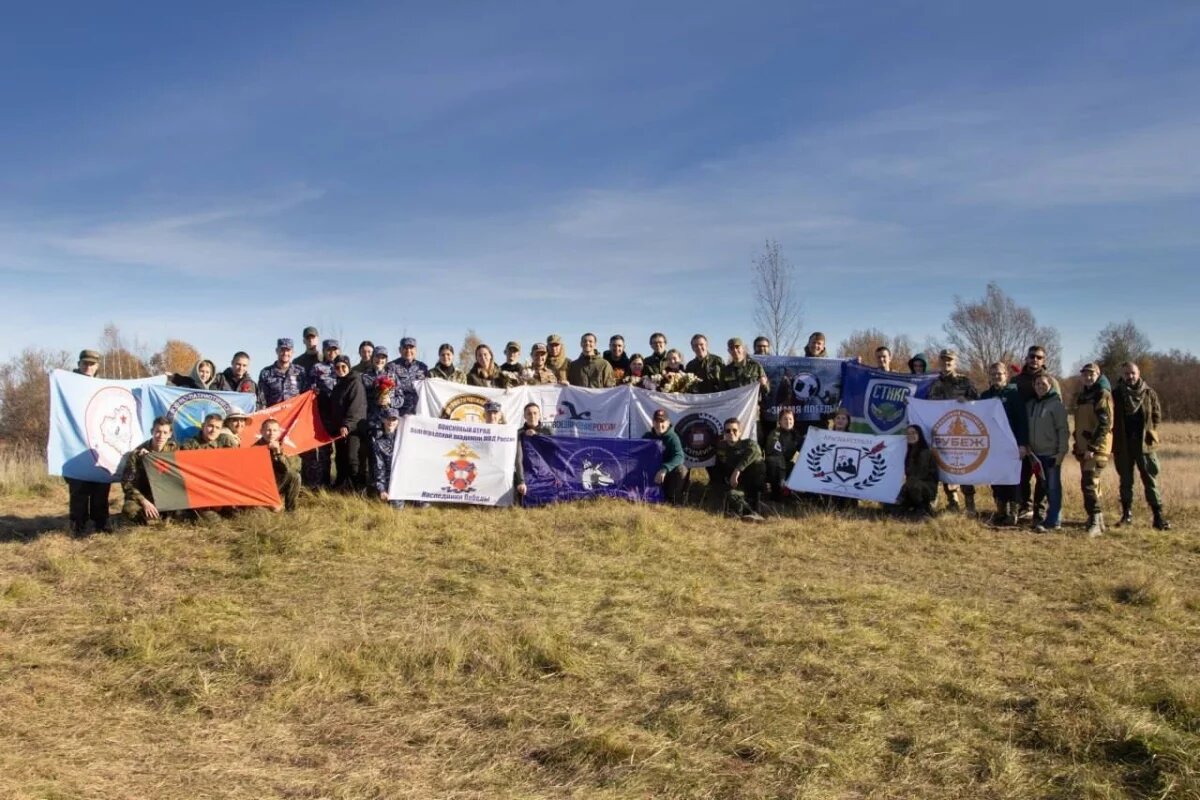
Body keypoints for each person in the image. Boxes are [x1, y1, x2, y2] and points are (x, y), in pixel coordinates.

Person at [1112, 362, 1171, 530]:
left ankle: (1158, 516)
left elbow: (1156, 415)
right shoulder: (1116, 394)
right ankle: (1126, 515)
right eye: (1126, 374)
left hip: (1144, 445)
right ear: (1122, 375)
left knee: (1150, 480)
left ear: (1138, 373)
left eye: (1132, 373)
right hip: (1123, 444)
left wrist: (1150, 432)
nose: (1129, 377)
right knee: (1125, 481)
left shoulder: (1149, 393)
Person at [927, 349, 980, 513]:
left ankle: (970, 503)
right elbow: (928, 406)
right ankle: (953, 501)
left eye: (950, 360)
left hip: (962, 433)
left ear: (955, 362)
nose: (946, 363)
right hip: (942, 434)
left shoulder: (965, 382)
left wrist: (968, 401)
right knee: (946, 467)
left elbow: (979, 403)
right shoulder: (934, 384)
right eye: (943, 360)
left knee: (964, 467)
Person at [65, 349, 111, 535]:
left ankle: (101, 523)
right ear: (79, 364)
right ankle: (78, 524)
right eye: (85, 363)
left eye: (92, 364)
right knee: (79, 488)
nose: (88, 367)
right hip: (76, 443)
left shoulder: (102, 385)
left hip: (99, 443)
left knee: (101, 485)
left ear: (97, 366)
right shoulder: (68, 384)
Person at [1013, 345, 1059, 522]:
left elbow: (1057, 407)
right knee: (1022, 475)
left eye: (1039, 357)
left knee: (1042, 477)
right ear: (1026, 358)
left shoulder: (1051, 381)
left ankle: (1040, 511)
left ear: (1043, 360)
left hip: (1043, 437)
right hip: (1021, 435)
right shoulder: (1016, 381)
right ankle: (1025, 505)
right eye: (1032, 356)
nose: (1035, 360)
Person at [980, 361, 1028, 526]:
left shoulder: (1014, 395)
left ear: (1006, 375)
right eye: (993, 374)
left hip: (1011, 443)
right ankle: (1000, 511)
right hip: (992, 444)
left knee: (1012, 479)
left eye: (999, 374)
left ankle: (1013, 513)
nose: (996, 377)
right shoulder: (985, 396)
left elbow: (1022, 421)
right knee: (996, 478)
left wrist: (1022, 444)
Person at [1073, 363, 1113, 536]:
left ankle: (1095, 520)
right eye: (1085, 374)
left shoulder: (1101, 394)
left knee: (1089, 483)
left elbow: (1105, 423)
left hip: (1097, 448)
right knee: (1092, 484)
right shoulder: (1083, 395)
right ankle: (1098, 520)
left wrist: (1093, 446)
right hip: (1084, 447)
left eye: (1092, 374)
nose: (1088, 377)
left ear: (1098, 375)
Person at [1026, 374, 1069, 533]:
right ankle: (1042, 517)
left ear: (1050, 385)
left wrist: (1061, 453)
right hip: (1035, 455)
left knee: (1053, 487)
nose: (1040, 386)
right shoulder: (1030, 405)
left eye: (1043, 384)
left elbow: (1063, 430)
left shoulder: (1056, 405)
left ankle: (1054, 520)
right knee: (1042, 487)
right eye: (1037, 384)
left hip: (1051, 454)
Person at [121, 416, 177, 524]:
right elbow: (127, 483)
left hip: (167, 494)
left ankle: (161, 518)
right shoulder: (137, 454)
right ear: (152, 431)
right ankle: (153, 518)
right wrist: (143, 501)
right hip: (145, 495)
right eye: (158, 432)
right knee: (129, 509)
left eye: (165, 433)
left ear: (170, 434)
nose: (161, 436)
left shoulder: (175, 451)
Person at [710, 418, 766, 521]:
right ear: (724, 433)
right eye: (728, 431)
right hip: (736, 485)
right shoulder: (721, 447)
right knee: (732, 495)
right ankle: (745, 513)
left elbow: (756, 451)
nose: (731, 433)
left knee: (759, 464)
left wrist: (738, 470)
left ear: (740, 432)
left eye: (734, 430)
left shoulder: (748, 444)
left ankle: (757, 510)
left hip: (752, 483)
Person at [305, 339, 342, 488]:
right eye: (328, 350)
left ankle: (341, 481)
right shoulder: (317, 367)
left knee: (341, 452)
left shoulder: (344, 366)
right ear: (324, 351)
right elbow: (310, 389)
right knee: (324, 450)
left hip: (340, 415)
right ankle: (323, 482)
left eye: (334, 350)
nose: (331, 353)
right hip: (323, 415)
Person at [327, 355, 367, 491]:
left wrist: (347, 425)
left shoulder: (355, 382)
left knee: (352, 457)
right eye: (337, 367)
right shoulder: (338, 383)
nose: (340, 369)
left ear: (348, 367)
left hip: (353, 427)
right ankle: (342, 483)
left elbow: (355, 406)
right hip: (340, 428)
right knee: (340, 457)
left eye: (343, 366)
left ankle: (357, 486)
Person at [642, 408, 687, 505]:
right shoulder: (647, 436)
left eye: (662, 421)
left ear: (668, 422)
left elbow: (679, 456)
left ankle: (672, 498)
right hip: (651, 472)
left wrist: (665, 469)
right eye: (657, 421)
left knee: (681, 469)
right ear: (653, 423)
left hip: (667, 474)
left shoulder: (673, 437)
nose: (659, 425)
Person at [256, 419, 301, 512]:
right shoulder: (255, 448)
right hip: (261, 487)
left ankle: (291, 511)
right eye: (268, 430)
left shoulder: (279, 447)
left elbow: (287, 469)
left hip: (275, 483)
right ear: (261, 431)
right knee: (274, 510)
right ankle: (267, 502)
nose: (271, 433)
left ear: (279, 433)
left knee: (295, 476)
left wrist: (278, 453)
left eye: (274, 430)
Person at [895, 425, 938, 517]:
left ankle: (924, 507)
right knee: (889, 507)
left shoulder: (925, 452)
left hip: (926, 487)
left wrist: (904, 487)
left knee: (913, 483)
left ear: (919, 434)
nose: (910, 435)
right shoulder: (906, 452)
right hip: (910, 486)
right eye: (908, 433)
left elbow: (921, 474)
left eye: (913, 433)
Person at [257, 338, 308, 409]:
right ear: (277, 351)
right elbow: (262, 400)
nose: (285, 353)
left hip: (294, 415)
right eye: (282, 350)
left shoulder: (300, 372)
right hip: (273, 416)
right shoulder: (266, 373)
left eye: (288, 350)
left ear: (293, 352)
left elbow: (305, 396)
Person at [763, 407, 800, 501]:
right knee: (775, 462)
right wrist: (782, 478)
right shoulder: (775, 434)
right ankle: (776, 492)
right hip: (774, 466)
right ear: (780, 421)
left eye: (790, 419)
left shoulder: (795, 435)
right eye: (785, 419)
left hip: (787, 463)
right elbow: (776, 455)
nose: (788, 421)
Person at [387, 337, 428, 416]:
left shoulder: (423, 367)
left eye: (411, 348)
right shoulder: (392, 366)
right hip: (399, 412)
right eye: (405, 348)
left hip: (418, 412)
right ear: (400, 350)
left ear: (416, 350)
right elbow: (390, 391)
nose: (408, 351)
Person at [372, 410, 404, 509]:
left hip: (405, 480)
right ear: (383, 420)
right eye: (388, 419)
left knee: (424, 504)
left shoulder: (404, 439)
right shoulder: (378, 443)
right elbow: (379, 468)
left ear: (398, 421)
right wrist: (382, 489)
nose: (391, 422)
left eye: (394, 419)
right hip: (391, 482)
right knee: (397, 508)